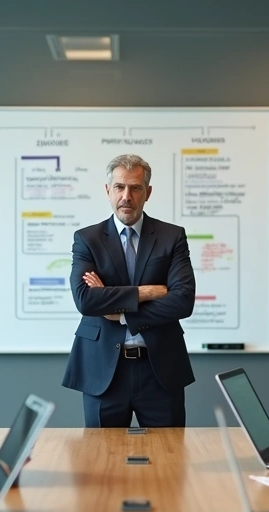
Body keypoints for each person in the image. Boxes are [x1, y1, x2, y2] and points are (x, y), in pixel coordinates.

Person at [61, 154, 196, 427]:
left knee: (168, 453)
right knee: (101, 453)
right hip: (103, 370)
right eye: (120, 187)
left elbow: (183, 301)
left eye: (135, 188)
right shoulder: (87, 239)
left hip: (160, 369)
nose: (127, 196)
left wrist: (121, 314)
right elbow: (86, 300)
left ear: (148, 192)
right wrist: (146, 292)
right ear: (108, 190)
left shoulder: (172, 237)